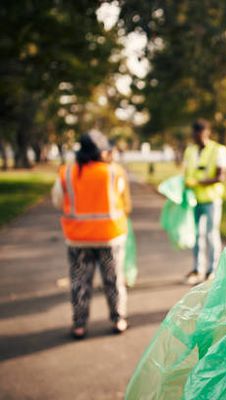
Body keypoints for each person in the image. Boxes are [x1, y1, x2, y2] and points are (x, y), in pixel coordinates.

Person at [51, 130, 132, 339]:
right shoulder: (114, 172)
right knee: (113, 280)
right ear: (101, 151)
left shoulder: (67, 172)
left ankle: (79, 325)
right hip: (110, 236)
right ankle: (118, 319)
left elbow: (58, 201)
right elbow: (124, 203)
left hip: (77, 238)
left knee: (79, 281)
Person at [182, 118, 226, 285]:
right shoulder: (190, 150)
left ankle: (213, 270)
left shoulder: (218, 150)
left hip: (211, 200)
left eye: (200, 134)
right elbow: (186, 173)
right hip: (194, 200)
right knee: (195, 235)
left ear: (206, 133)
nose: (197, 138)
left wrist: (199, 182)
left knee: (211, 234)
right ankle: (197, 268)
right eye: (195, 135)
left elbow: (220, 176)